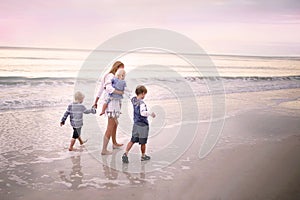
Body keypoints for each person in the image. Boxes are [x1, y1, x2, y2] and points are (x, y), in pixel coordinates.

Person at [93, 61, 125, 155]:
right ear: (117, 67)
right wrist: (119, 92)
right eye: (121, 68)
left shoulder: (116, 77)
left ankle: (114, 143)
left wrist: (96, 102)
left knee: (115, 123)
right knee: (110, 126)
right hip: (110, 104)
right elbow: (107, 88)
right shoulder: (110, 76)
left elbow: (100, 90)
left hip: (115, 103)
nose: (123, 70)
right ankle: (104, 149)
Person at [122, 85, 156, 163]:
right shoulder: (142, 103)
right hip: (143, 125)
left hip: (136, 124)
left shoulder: (134, 100)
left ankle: (126, 153)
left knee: (132, 140)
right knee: (143, 142)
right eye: (145, 94)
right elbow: (143, 113)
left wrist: (122, 88)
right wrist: (150, 114)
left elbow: (129, 95)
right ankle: (143, 156)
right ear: (143, 93)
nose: (144, 96)